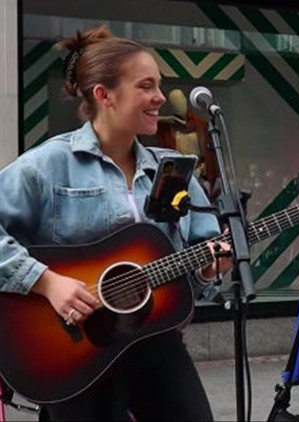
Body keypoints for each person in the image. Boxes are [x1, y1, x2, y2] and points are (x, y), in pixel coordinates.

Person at [0, 26, 231, 420]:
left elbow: (195, 265)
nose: (160, 97)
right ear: (103, 95)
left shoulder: (173, 170)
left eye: (159, 85)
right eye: (146, 86)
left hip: (155, 341)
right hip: (74, 350)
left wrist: (210, 267)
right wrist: (47, 282)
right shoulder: (45, 167)